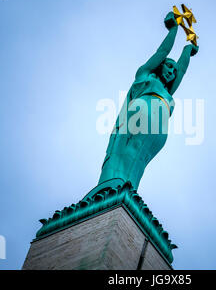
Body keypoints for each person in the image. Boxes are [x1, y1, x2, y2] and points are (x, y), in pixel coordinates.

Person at [83, 11, 198, 200]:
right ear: (160, 66)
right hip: (137, 116)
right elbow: (162, 53)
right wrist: (174, 29)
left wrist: (188, 49)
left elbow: (182, 69)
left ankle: (127, 193)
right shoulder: (145, 76)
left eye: (173, 70)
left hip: (157, 129)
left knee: (138, 163)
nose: (172, 71)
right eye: (168, 66)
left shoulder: (168, 93)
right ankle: (107, 189)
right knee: (120, 154)